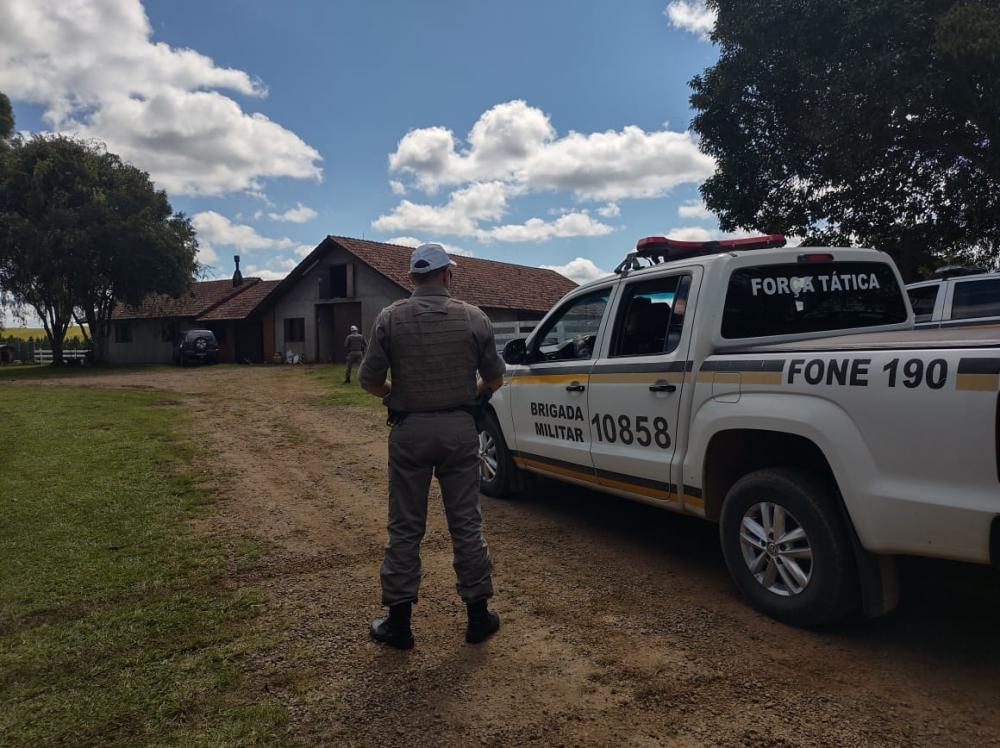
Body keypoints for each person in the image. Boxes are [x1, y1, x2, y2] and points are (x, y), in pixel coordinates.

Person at [359, 242, 506, 649]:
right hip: (460, 429)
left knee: (405, 527)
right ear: (447, 275)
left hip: (409, 431)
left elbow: (368, 380)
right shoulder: (474, 317)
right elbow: (495, 378)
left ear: (411, 278)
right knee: (466, 523)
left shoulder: (390, 318)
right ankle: (478, 617)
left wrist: (396, 395)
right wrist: (470, 398)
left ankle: (399, 624)